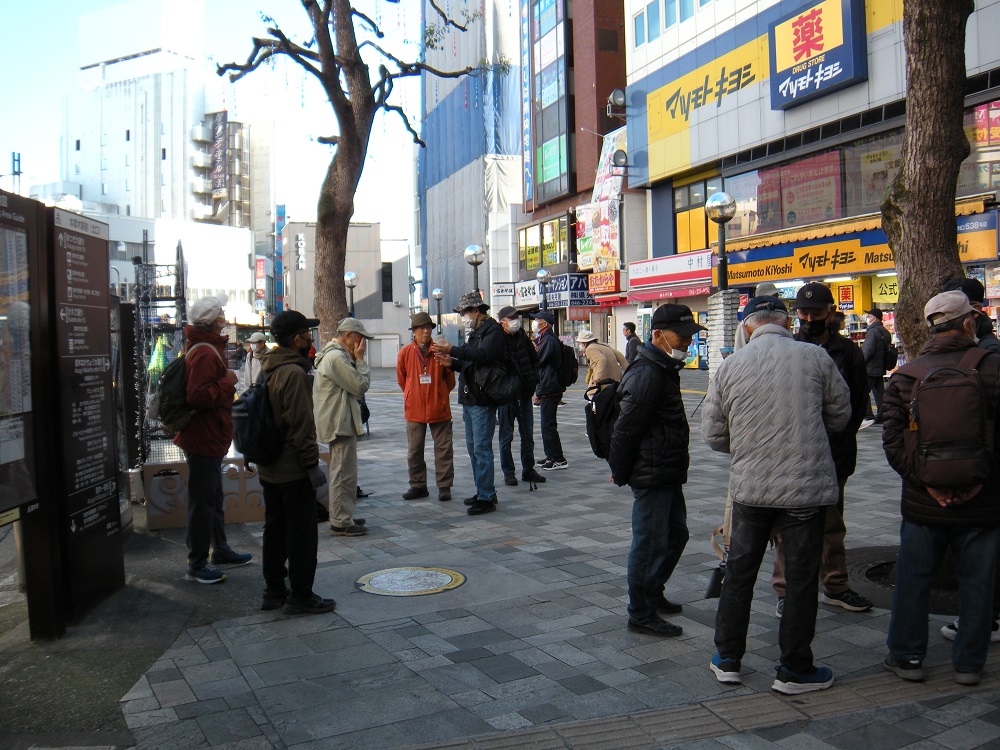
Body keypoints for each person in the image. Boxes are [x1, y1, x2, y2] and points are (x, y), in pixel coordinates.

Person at [703, 295, 850, 694]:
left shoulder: (731, 366)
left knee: (739, 574)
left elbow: (713, 434)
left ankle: (727, 658)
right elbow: (840, 415)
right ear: (787, 323)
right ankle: (794, 668)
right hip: (806, 488)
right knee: (800, 579)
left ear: (747, 327)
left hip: (750, 489)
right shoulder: (816, 357)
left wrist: (748, 446)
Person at [882, 291, 1000, 686]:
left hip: (923, 502)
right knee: (979, 582)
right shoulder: (994, 367)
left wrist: (927, 485)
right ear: (969, 322)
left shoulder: (907, 375)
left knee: (914, 579)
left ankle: (907, 656)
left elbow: (893, 441)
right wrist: (979, 481)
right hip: (983, 500)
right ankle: (969, 664)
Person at [771, 283, 872, 616]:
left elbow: (857, 404)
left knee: (832, 523)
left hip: (834, 452)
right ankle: (785, 590)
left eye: (816, 312)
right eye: (803, 312)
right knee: (787, 526)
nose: (809, 319)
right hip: (792, 452)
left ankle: (836, 585)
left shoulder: (849, 352)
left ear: (831, 313)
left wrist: (834, 438)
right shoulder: (786, 348)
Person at [608, 304, 705, 637]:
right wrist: (620, 471)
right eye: (682, 336)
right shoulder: (647, 372)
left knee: (676, 535)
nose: (688, 342)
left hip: (666, 467)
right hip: (651, 470)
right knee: (649, 543)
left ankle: (652, 590)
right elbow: (626, 428)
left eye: (691, 336)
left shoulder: (663, 367)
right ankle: (640, 612)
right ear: (659, 335)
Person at [256, 310, 336, 615]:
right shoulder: (293, 373)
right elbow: (301, 425)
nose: (309, 338)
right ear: (296, 338)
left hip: (269, 464)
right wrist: (311, 464)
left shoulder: (269, 367)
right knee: (301, 532)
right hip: (292, 467)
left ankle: (274, 590)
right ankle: (301, 595)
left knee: (274, 527)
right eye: (306, 333)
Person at [174, 293, 252, 584]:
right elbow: (198, 395)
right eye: (221, 312)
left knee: (212, 497)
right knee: (203, 501)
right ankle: (197, 563)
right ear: (213, 320)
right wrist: (227, 381)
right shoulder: (206, 353)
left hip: (208, 435)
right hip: (204, 436)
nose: (224, 316)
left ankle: (220, 550)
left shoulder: (203, 347)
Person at [431, 292, 505, 516]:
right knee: (474, 449)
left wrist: (452, 350)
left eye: (465, 312)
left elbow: (482, 355)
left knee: (481, 448)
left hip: (482, 398)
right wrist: (451, 362)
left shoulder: (492, 330)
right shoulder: (476, 332)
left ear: (476, 311)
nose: (463, 317)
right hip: (470, 396)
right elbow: (469, 362)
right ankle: (483, 490)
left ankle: (486, 496)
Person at [314, 318, 373, 536]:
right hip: (339, 422)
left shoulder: (336, 355)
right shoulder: (336, 357)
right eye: (360, 337)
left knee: (345, 470)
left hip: (340, 420)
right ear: (348, 336)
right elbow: (360, 385)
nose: (362, 343)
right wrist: (360, 360)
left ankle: (343, 515)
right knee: (342, 472)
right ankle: (340, 520)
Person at [397, 312, 456, 502]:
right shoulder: (405, 353)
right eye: (421, 328)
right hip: (414, 410)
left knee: (444, 449)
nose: (425, 331)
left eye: (428, 327)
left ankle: (444, 486)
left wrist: (439, 395)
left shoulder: (440, 351)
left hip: (439, 409)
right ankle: (418, 485)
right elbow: (402, 380)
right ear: (414, 331)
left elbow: (450, 381)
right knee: (414, 450)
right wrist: (412, 394)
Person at [496, 306, 546, 488]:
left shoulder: (523, 337)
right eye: (510, 318)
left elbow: (534, 360)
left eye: (515, 318)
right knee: (506, 435)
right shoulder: (497, 339)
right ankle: (508, 472)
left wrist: (533, 378)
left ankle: (528, 468)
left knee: (527, 434)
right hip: (506, 396)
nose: (514, 321)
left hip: (524, 392)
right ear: (502, 322)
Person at [532, 310, 567, 471]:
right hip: (548, 385)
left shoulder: (548, 339)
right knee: (546, 425)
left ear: (544, 323)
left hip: (550, 386)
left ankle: (558, 458)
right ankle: (551, 455)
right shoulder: (545, 338)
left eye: (537, 320)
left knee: (548, 425)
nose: (535, 322)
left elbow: (537, 359)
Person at [942, 277, 1000, 354]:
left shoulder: (991, 350)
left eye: (953, 306)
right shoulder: (954, 340)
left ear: (975, 310)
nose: (944, 311)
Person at [862, 307, 891, 421]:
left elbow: (867, 351)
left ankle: (868, 414)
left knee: (863, 391)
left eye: (869, 316)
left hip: (870, 368)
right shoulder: (885, 332)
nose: (868, 318)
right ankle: (883, 414)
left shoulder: (873, 332)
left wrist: (860, 362)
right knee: (879, 393)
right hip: (880, 367)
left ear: (875, 318)